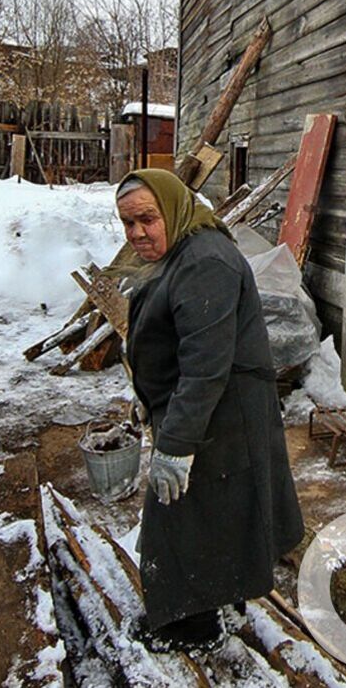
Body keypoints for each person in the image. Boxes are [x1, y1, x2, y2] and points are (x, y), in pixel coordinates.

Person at [115, 168, 303, 651]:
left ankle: (190, 625)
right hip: (202, 411)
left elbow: (204, 366)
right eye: (128, 224)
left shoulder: (205, 262)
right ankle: (222, 595)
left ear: (172, 209)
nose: (137, 233)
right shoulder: (179, 250)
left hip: (220, 415)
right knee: (216, 513)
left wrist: (176, 444)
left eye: (146, 220)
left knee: (188, 516)